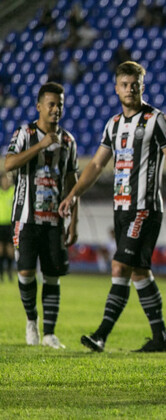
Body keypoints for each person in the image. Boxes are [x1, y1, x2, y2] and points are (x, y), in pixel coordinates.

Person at [58, 61, 166, 352]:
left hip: (145, 207)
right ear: (116, 89)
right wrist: (72, 195)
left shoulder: (157, 120)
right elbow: (97, 164)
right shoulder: (113, 125)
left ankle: (101, 335)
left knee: (120, 265)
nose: (130, 89)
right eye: (124, 85)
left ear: (142, 86)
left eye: (134, 84)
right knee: (139, 273)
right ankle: (161, 338)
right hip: (121, 208)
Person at [4, 82, 80, 349]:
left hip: (54, 219)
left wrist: (74, 220)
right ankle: (31, 320)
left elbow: (72, 181)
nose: (56, 109)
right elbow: (9, 164)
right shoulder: (25, 133)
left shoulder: (69, 141)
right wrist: (42, 146)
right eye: (51, 104)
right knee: (25, 271)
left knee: (52, 275)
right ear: (39, 107)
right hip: (26, 216)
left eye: (60, 104)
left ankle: (49, 332)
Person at [0, 172, 15, 282]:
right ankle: (1, 274)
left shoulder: (13, 191)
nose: (6, 181)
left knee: (10, 251)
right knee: (0, 250)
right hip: (0, 224)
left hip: (10, 225)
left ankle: (10, 272)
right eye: (4, 179)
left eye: (8, 179)